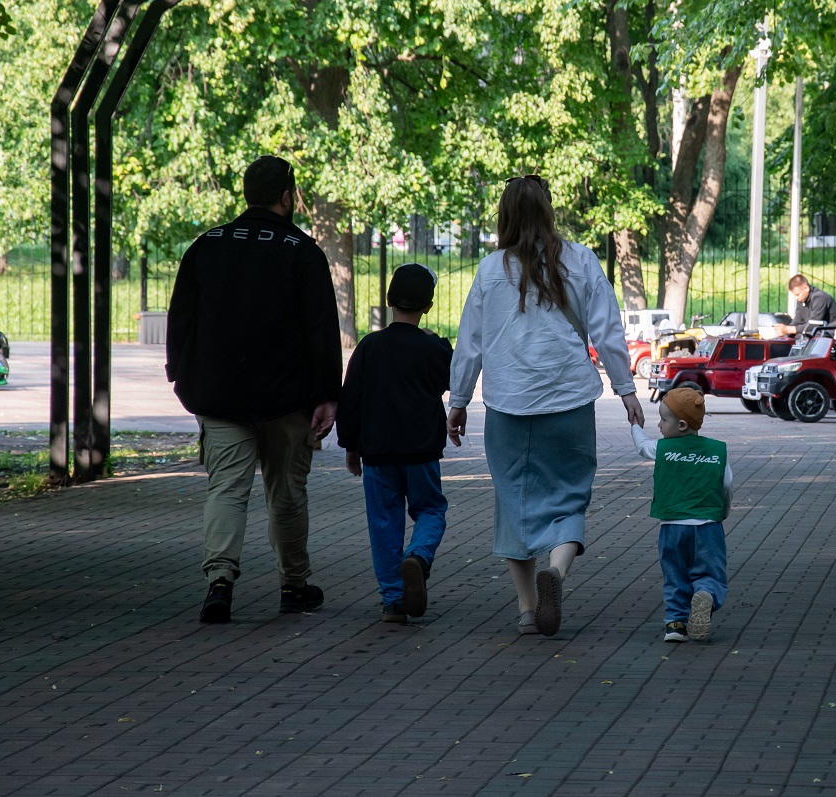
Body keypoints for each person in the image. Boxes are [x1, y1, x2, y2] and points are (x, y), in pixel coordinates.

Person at [447, 174, 644, 637]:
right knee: (569, 494)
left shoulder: (491, 269)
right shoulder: (581, 260)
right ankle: (556, 572)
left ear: (506, 215)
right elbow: (607, 331)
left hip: (508, 405)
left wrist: (457, 401)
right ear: (549, 211)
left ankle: (527, 609)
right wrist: (626, 389)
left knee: (513, 501)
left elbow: (470, 343)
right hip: (569, 400)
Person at [166, 155, 342, 624]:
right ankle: (294, 585)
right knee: (286, 494)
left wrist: (180, 376)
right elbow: (321, 329)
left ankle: (219, 582)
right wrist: (328, 393)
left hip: (220, 396)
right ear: (286, 197)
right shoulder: (302, 250)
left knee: (226, 488)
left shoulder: (207, 245)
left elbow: (181, 317)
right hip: (287, 400)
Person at [337, 263, 452, 626]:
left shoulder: (370, 346)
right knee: (431, 510)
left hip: (377, 451)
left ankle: (393, 600)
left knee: (384, 522)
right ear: (428, 307)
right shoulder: (432, 348)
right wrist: (442, 347)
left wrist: (351, 446)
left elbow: (350, 399)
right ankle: (417, 556)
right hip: (421, 451)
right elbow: (449, 379)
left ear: (389, 302)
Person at [630, 388, 732, 643]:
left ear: (682, 425)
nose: (659, 424)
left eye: (664, 420)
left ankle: (675, 624)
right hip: (708, 526)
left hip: (672, 527)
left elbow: (642, 447)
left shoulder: (663, 448)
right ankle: (706, 594)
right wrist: (723, 512)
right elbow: (726, 485)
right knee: (710, 572)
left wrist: (635, 426)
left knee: (675, 575)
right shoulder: (717, 450)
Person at [772, 274, 836, 337]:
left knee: (804, 337)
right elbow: (797, 321)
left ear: (806, 288)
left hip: (833, 331)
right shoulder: (802, 299)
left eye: (797, 294)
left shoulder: (820, 298)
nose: (796, 298)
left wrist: (787, 329)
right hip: (819, 332)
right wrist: (785, 334)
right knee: (793, 337)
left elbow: (814, 325)